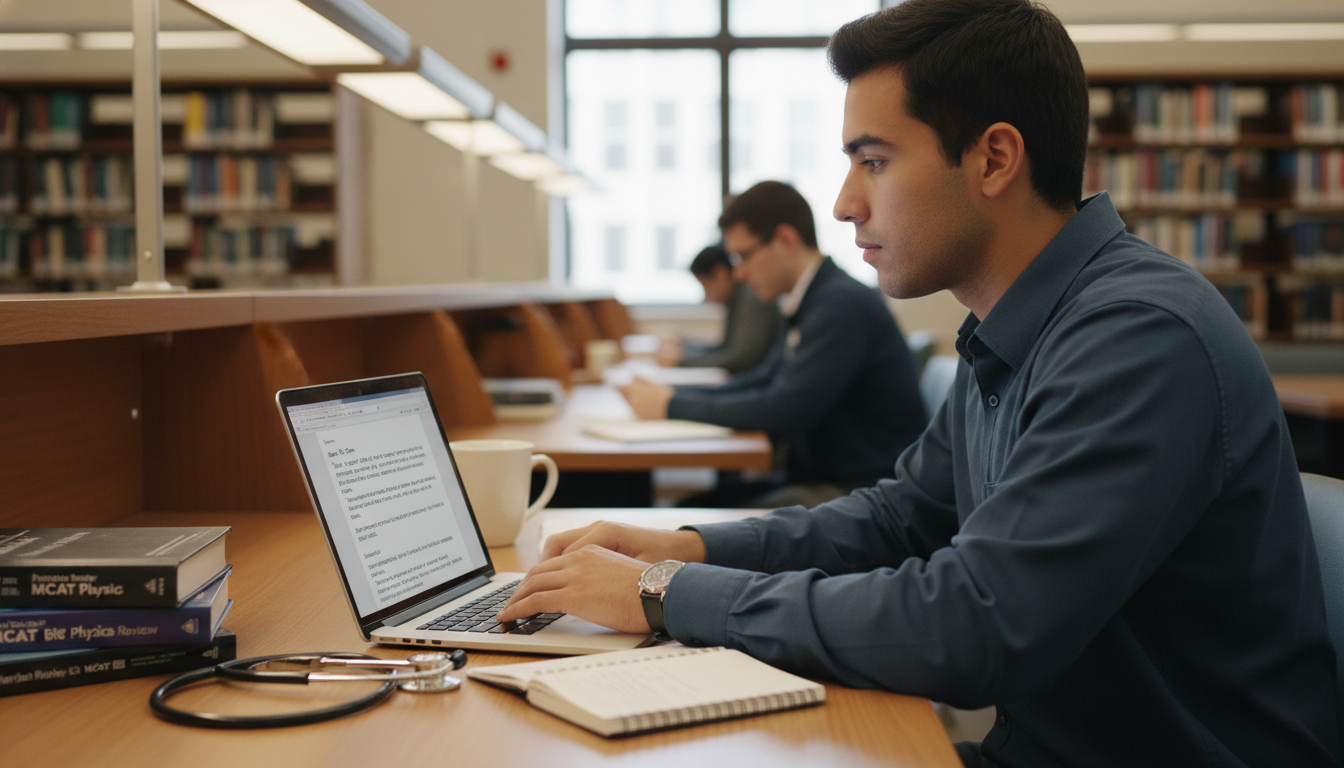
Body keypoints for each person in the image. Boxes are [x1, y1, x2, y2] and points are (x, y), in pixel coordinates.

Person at [499, 1, 1342, 766]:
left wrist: (663, 593)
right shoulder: (1014, 329)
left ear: (994, 159)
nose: (842, 205)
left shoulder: (1139, 336)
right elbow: (901, 516)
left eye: (873, 161)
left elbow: (976, 626)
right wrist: (690, 548)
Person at [624, 180, 927, 508]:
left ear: (785, 240)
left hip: (863, 494)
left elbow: (787, 408)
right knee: (686, 510)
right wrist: (673, 396)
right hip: (823, 478)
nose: (738, 274)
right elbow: (763, 379)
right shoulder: (809, 299)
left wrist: (671, 406)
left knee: (685, 518)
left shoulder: (840, 304)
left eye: (744, 256)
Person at [661, 245, 782, 374]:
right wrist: (686, 346)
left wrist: (680, 362)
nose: (706, 297)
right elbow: (724, 348)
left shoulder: (752, 297)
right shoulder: (736, 298)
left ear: (720, 273)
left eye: (706, 286)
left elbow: (739, 360)